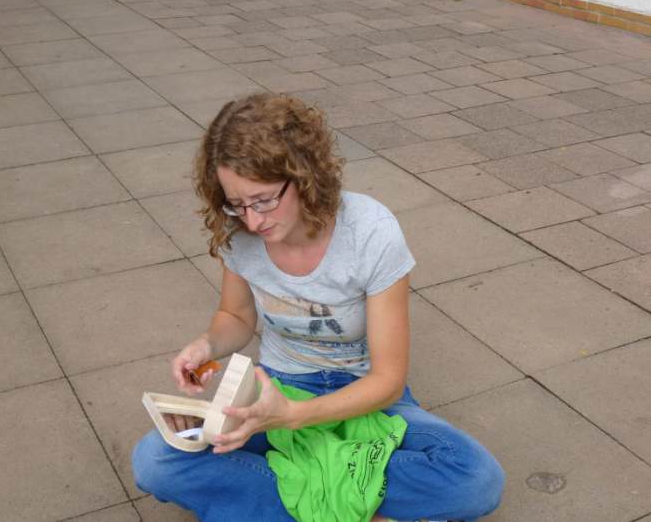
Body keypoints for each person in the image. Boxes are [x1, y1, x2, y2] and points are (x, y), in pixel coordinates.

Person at [132, 93, 504, 522]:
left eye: (264, 200)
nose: (252, 220)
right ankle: (351, 497)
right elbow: (236, 317)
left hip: (364, 394)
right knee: (154, 461)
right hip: (279, 386)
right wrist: (205, 345)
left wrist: (295, 417)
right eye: (237, 203)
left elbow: (387, 380)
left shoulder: (370, 231)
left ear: (303, 174)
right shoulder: (239, 234)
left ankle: (295, 492)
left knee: (476, 479)